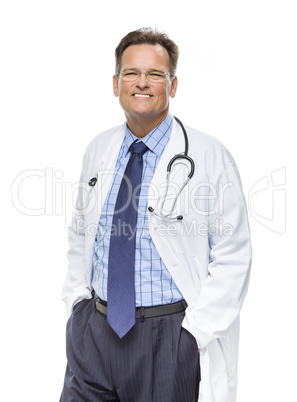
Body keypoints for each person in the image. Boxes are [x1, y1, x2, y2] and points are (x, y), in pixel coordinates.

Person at [60, 28, 252, 402]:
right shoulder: (99, 148)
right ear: (116, 83)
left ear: (173, 85)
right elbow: (81, 233)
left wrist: (192, 335)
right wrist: (77, 308)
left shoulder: (209, 156)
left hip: (166, 337)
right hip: (94, 333)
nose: (142, 83)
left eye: (155, 75)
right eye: (131, 73)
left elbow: (234, 256)